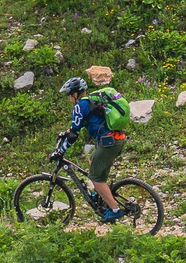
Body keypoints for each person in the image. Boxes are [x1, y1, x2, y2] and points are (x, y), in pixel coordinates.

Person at [57, 66, 135, 223]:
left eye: (69, 95)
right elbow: (74, 128)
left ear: (75, 94)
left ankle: (114, 210)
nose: (69, 98)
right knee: (92, 161)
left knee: (95, 177)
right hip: (116, 140)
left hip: (109, 143)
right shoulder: (90, 101)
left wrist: (60, 151)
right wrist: (65, 133)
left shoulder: (79, 106)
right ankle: (102, 196)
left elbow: (74, 135)